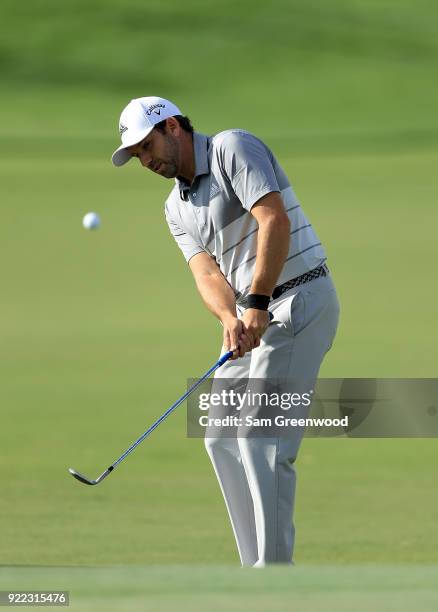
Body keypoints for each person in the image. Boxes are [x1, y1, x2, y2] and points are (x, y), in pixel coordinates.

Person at [112, 96, 340, 567]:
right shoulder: (176, 206)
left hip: (299, 302)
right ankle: (254, 565)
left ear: (172, 126)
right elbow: (206, 274)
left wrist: (256, 300)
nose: (146, 160)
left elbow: (272, 218)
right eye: (136, 155)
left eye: (147, 146)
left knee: (259, 437)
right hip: (252, 318)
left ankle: (274, 575)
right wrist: (230, 319)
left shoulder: (232, 149)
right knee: (220, 435)